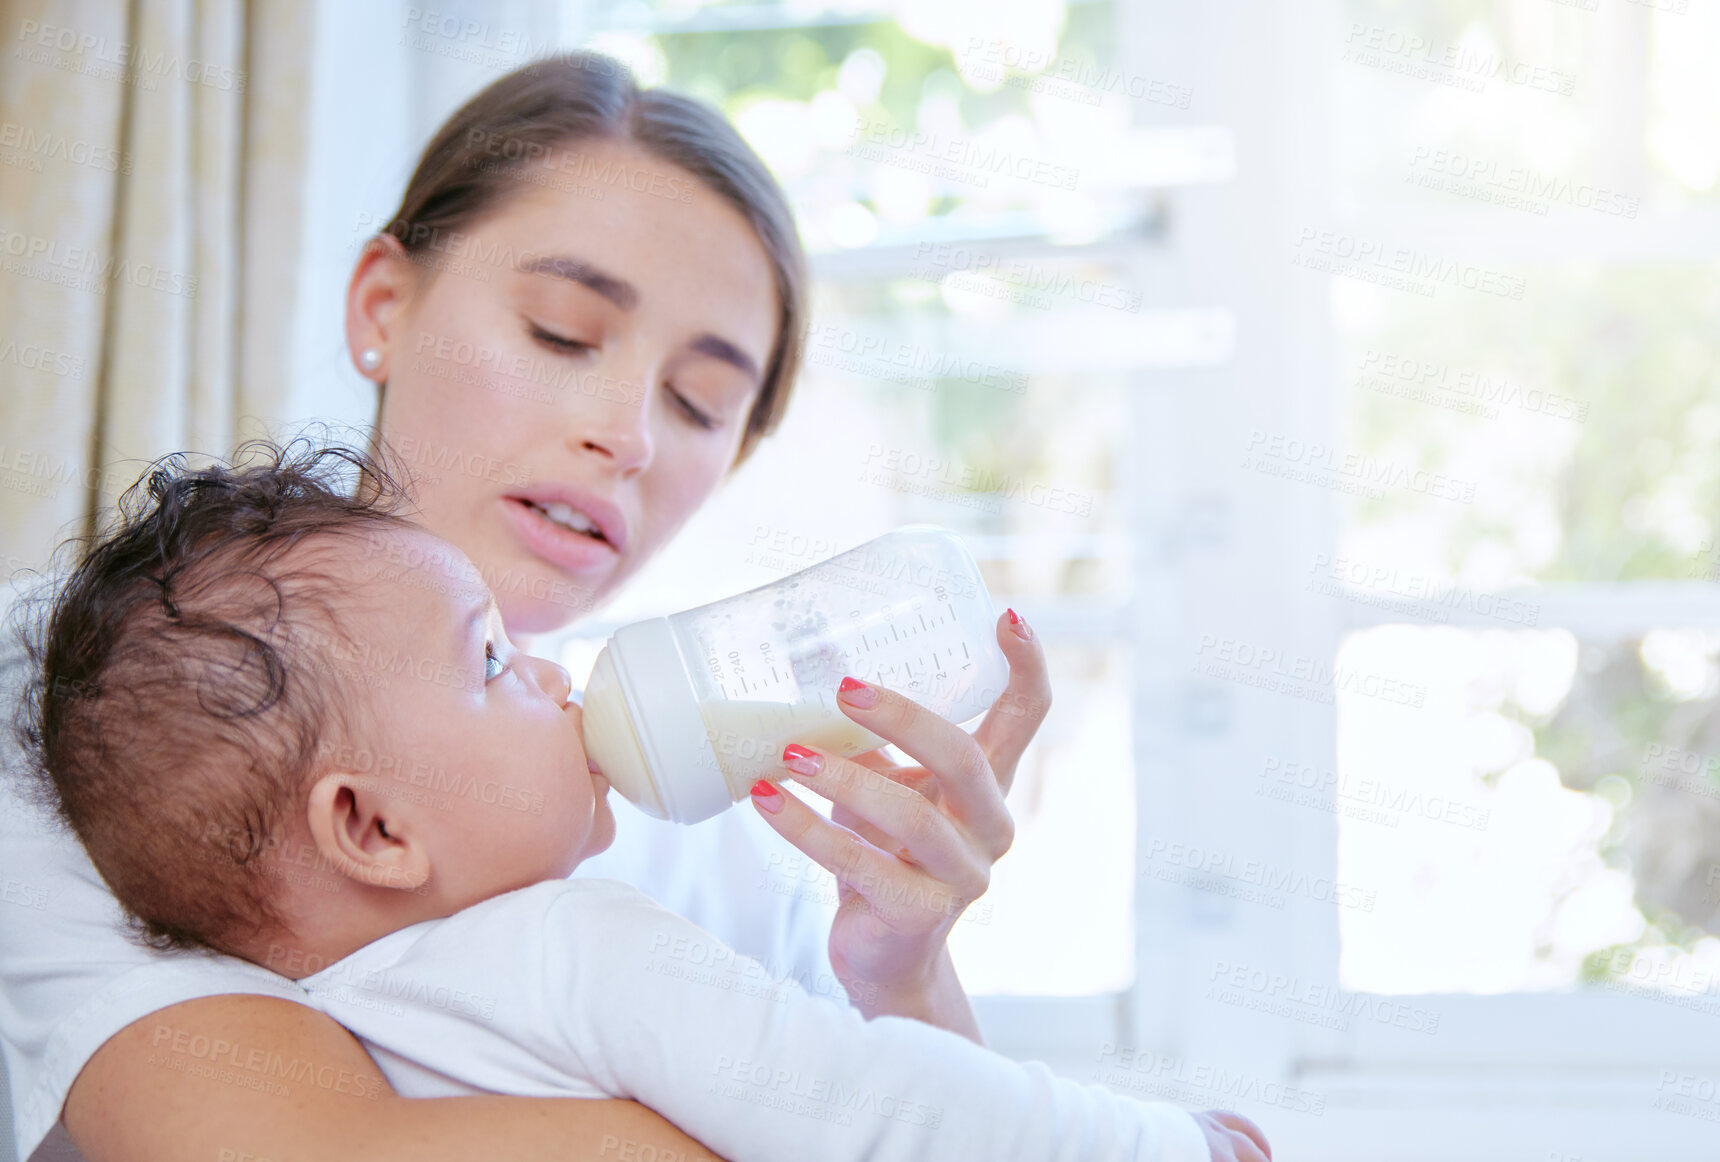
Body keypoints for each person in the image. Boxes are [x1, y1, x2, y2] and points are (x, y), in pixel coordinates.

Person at [0, 52, 1262, 1162]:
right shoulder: (82, 690)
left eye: (703, 405)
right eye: (561, 331)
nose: (627, 434)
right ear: (384, 306)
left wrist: (901, 974)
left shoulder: (714, 819)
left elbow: (899, 1116)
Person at [17, 441, 1269, 1162]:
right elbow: (866, 1103)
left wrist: (904, 963)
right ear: (375, 830)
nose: (557, 674)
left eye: (702, 400)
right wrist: (1165, 1146)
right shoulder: (568, 945)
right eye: (493, 662)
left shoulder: (331, 1016)